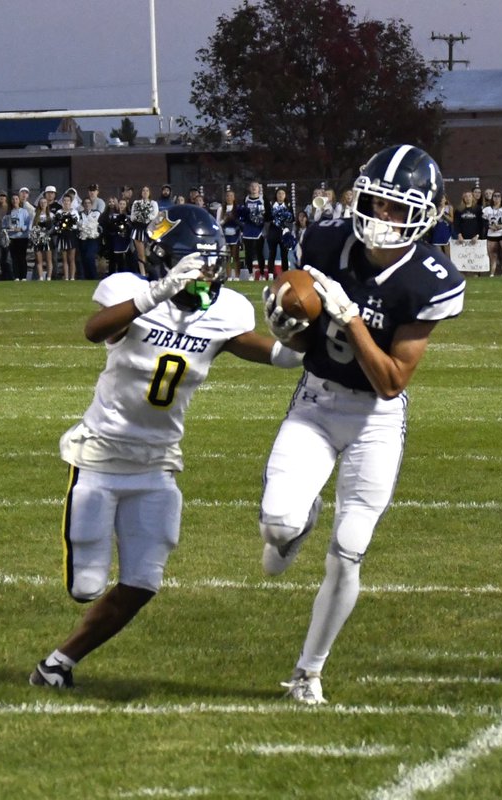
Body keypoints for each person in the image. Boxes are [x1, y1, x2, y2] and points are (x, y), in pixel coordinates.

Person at [29, 204, 305, 690]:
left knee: (143, 581)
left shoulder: (225, 313)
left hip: (157, 463)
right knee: (85, 587)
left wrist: (307, 332)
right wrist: (156, 295)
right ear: (165, 261)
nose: (207, 276)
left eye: (213, 265)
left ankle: (57, 664)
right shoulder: (129, 291)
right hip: (100, 455)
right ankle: (61, 653)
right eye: (195, 265)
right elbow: (96, 332)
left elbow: (280, 358)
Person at [258, 145, 464, 705]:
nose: (383, 216)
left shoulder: (429, 276)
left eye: (399, 209)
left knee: (348, 548)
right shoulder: (325, 242)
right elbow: (302, 343)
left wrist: (350, 316)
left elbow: (392, 380)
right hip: (317, 403)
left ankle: (308, 672)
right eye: (377, 202)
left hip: (375, 417)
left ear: (425, 214)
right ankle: (299, 522)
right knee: (277, 528)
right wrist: (286, 323)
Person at [237, 181, 267, 280]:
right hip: (248, 229)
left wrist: (259, 220)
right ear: (249, 188)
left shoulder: (263, 199)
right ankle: (250, 273)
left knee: (259, 252)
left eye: (256, 187)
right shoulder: (246, 199)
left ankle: (262, 273)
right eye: (252, 186)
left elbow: (266, 214)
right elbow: (242, 214)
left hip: (259, 229)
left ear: (259, 189)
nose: (254, 188)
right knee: (248, 253)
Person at [482, 191, 502, 277]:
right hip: (492, 234)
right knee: (493, 255)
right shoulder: (487, 209)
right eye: (494, 196)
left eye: (498, 196)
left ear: (501, 198)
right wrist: (489, 226)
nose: (496, 198)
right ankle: (492, 273)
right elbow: (483, 221)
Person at [130, 185, 158, 277]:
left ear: (150, 193)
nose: (145, 192)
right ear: (141, 193)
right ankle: (143, 274)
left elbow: (155, 215)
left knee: (150, 253)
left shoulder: (153, 203)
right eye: (143, 190)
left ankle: (153, 272)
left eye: (147, 190)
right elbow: (132, 217)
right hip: (138, 229)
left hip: (150, 229)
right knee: (141, 254)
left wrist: (146, 216)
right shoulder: (136, 203)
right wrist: (139, 217)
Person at [266, 187, 294, 276]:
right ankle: (270, 274)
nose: (280, 195)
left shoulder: (288, 206)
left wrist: (285, 217)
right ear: (276, 195)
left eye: (282, 193)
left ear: (285, 195)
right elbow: (266, 218)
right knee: (272, 253)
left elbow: (292, 219)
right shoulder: (271, 205)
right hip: (273, 231)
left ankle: (285, 273)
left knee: (284, 254)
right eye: (279, 193)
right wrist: (273, 217)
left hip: (284, 232)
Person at [52, 194, 80, 280]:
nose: (66, 202)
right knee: (64, 258)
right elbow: (56, 224)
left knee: (71, 258)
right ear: (62, 202)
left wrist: (69, 225)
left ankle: (72, 277)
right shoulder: (59, 212)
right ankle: (66, 277)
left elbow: (77, 224)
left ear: (71, 202)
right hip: (62, 235)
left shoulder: (74, 212)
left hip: (71, 235)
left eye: (68, 201)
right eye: (64, 200)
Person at [216, 187, 241, 280]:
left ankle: (237, 276)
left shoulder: (238, 208)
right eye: (227, 196)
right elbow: (218, 223)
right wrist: (225, 219)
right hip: (225, 235)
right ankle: (229, 275)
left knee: (235, 256)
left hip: (235, 234)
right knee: (227, 256)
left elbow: (240, 222)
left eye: (231, 196)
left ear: (234, 198)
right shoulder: (221, 209)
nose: (229, 197)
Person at [5, 193, 31, 280]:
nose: (15, 201)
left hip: (22, 237)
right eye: (13, 199)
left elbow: (27, 224)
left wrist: (21, 229)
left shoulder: (24, 211)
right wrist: (8, 229)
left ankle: (23, 276)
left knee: (22, 257)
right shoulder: (9, 212)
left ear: (19, 200)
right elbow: (4, 224)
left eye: (16, 199)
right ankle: (16, 276)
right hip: (12, 238)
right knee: (14, 258)